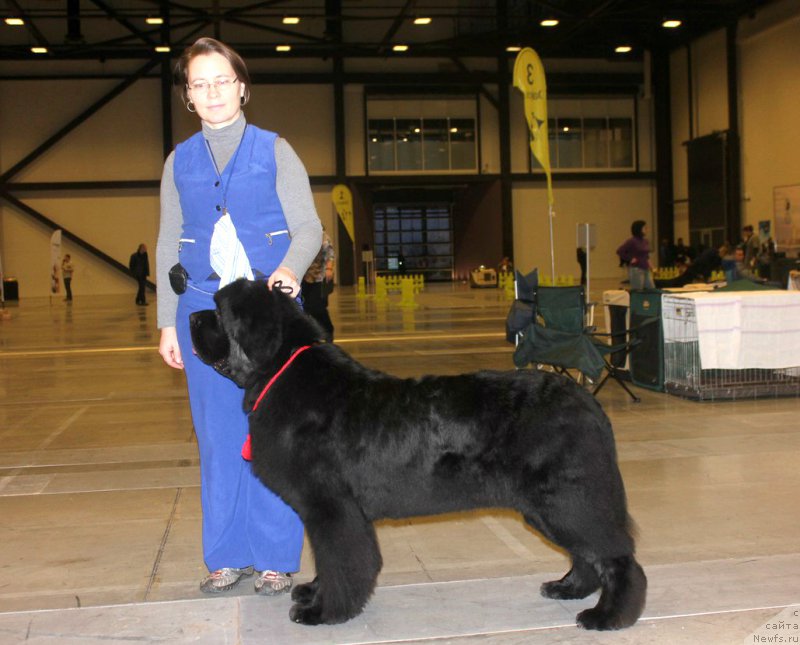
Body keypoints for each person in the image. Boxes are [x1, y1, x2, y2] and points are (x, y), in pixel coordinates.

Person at [155, 37, 322, 596]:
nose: (212, 92)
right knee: (217, 436)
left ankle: (275, 557)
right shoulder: (178, 161)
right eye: (199, 84)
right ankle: (226, 555)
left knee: (276, 436)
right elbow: (167, 243)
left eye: (221, 80)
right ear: (188, 96)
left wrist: (290, 270)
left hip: (269, 314)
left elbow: (309, 228)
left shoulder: (276, 151)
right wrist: (166, 321)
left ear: (242, 87)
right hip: (202, 312)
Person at [300, 230, 335, 342]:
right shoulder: (299, 235)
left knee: (318, 308)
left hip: (319, 277)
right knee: (306, 308)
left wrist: (329, 269)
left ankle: (328, 330)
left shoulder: (323, 236)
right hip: (304, 277)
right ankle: (313, 335)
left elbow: (330, 254)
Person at [616, 220, 654, 290]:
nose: (647, 230)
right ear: (639, 229)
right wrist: (630, 259)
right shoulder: (632, 241)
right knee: (638, 290)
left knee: (651, 288)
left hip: (646, 268)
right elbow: (620, 251)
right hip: (636, 269)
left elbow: (646, 255)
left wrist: (651, 266)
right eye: (645, 228)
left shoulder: (645, 241)